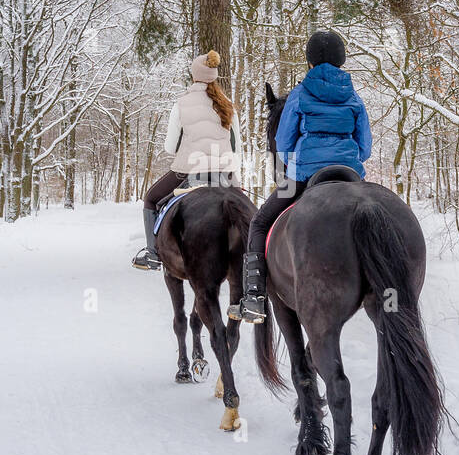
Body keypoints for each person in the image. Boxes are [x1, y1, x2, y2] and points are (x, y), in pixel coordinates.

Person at [233, 30, 371, 322]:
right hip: (349, 174)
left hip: (305, 174)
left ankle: (254, 297)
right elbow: (366, 147)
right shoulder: (354, 97)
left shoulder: (299, 94)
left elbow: (282, 144)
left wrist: (299, 159)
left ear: (309, 62)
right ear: (341, 61)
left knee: (259, 223)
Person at [132, 49, 241, 270]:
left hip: (189, 171)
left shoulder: (181, 104)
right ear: (214, 76)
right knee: (247, 212)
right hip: (224, 173)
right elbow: (236, 147)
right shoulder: (228, 106)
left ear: (194, 76)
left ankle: (153, 254)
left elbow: (170, 148)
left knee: (151, 199)